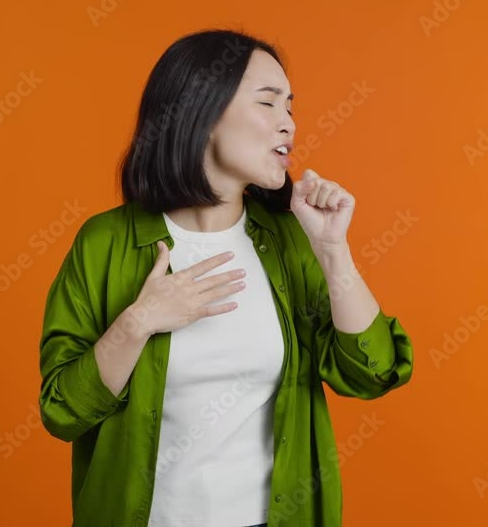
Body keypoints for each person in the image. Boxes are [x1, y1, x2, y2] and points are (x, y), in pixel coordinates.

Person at [37, 28, 414, 527]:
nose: (288, 123)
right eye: (268, 103)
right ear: (204, 112)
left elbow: (372, 373)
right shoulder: (104, 243)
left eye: (290, 108)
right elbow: (63, 411)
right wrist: (138, 322)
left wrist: (332, 250)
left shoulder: (288, 238)